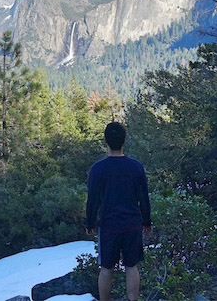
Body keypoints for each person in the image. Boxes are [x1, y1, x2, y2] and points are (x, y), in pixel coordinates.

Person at [85, 122, 152, 301]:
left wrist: (89, 223)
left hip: (109, 226)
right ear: (124, 140)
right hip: (132, 224)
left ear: (106, 141)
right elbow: (143, 197)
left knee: (106, 268)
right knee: (132, 266)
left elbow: (93, 199)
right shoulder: (136, 166)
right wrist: (147, 221)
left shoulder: (98, 169)